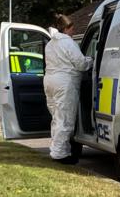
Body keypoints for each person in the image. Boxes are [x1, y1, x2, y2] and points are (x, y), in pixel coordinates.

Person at [44, 14, 93, 164]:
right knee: (65, 119)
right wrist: (91, 60)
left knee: (56, 118)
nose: (73, 31)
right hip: (64, 82)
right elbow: (81, 64)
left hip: (50, 81)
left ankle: (56, 150)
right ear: (65, 28)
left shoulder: (50, 44)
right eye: (72, 28)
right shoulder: (68, 43)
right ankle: (60, 154)